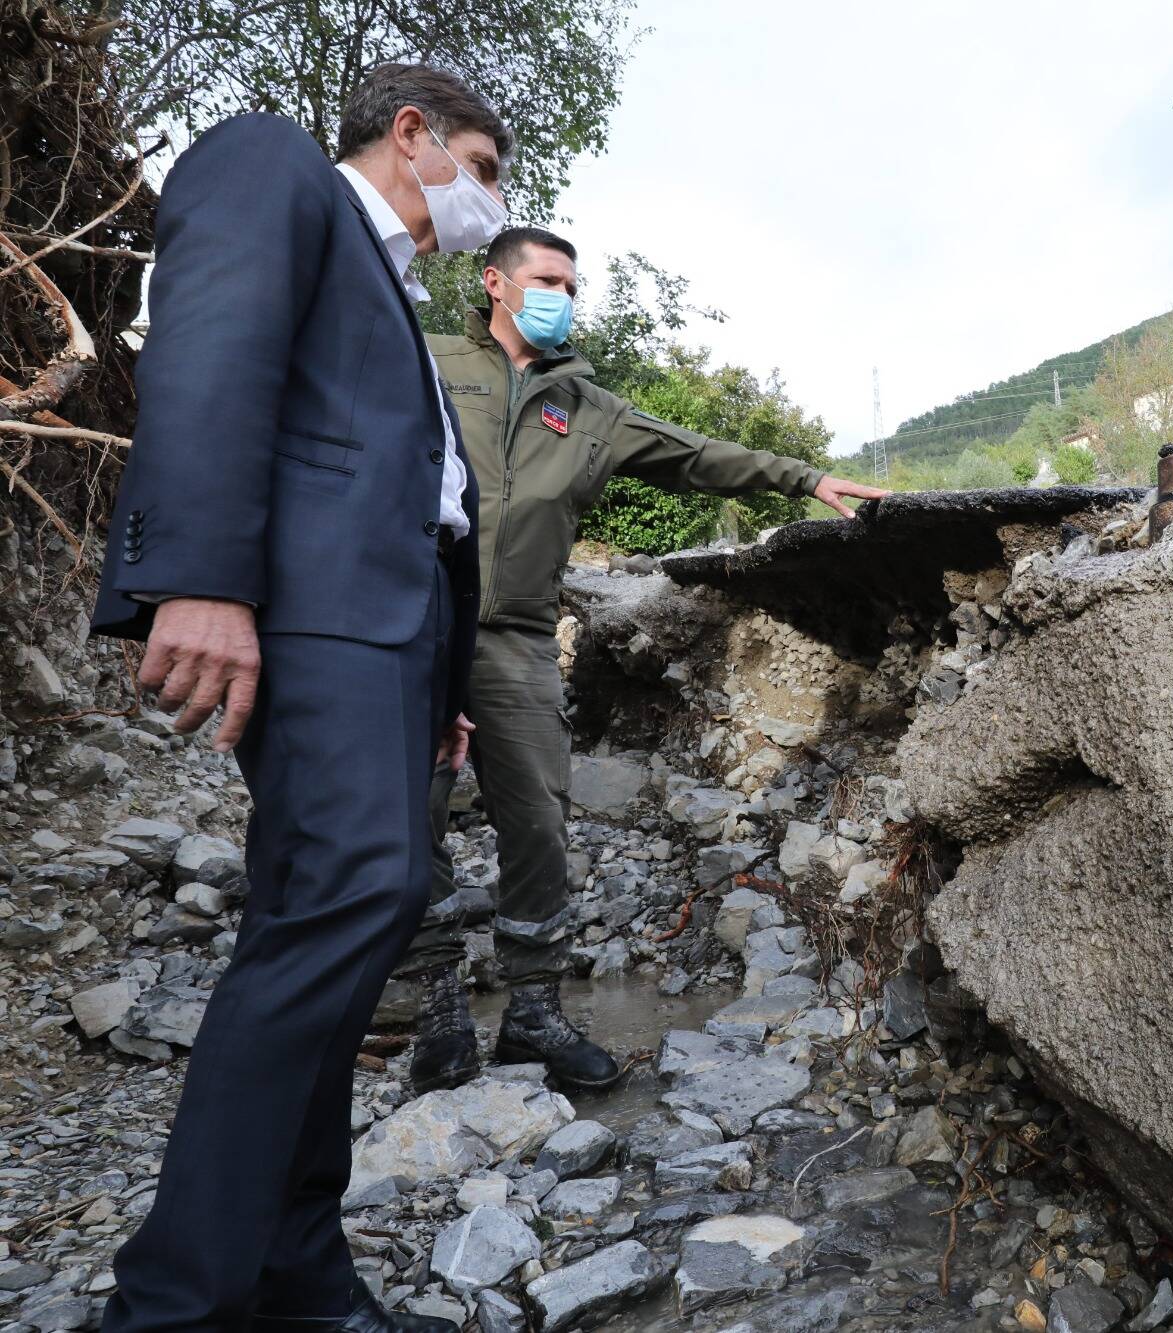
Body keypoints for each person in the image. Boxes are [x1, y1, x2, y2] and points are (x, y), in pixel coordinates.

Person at [91, 64, 509, 1332]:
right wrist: (203, 579)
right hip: (314, 613)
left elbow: (419, 502)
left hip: (388, 634)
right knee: (354, 897)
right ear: (411, 135)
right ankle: (174, 1302)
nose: (489, 200)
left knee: (340, 913)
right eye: (484, 169)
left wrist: (438, 683)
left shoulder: (384, 291)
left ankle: (296, 1271)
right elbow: (211, 347)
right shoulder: (278, 166)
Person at [399, 225, 887, 1093]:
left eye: (572, 285)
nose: (563, 296)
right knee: (412, 808)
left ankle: (535, 1013)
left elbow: (697, 456)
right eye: (547, 279)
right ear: (494, 284)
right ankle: (437, 1004)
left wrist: (805, 478)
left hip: (514, 635)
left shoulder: (589, 406)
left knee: (540, 817)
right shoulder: (429, 360)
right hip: (414, 619)